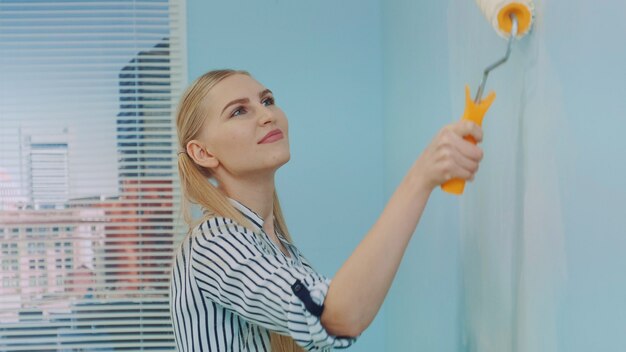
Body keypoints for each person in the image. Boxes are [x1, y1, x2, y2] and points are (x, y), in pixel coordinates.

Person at [170, 69, 484, 352]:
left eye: (267, 101)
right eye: (239, 111)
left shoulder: (276, 246)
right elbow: (338, 317)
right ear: (203, 152)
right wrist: (420, 179)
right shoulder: (213, 244)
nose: (267, 115)